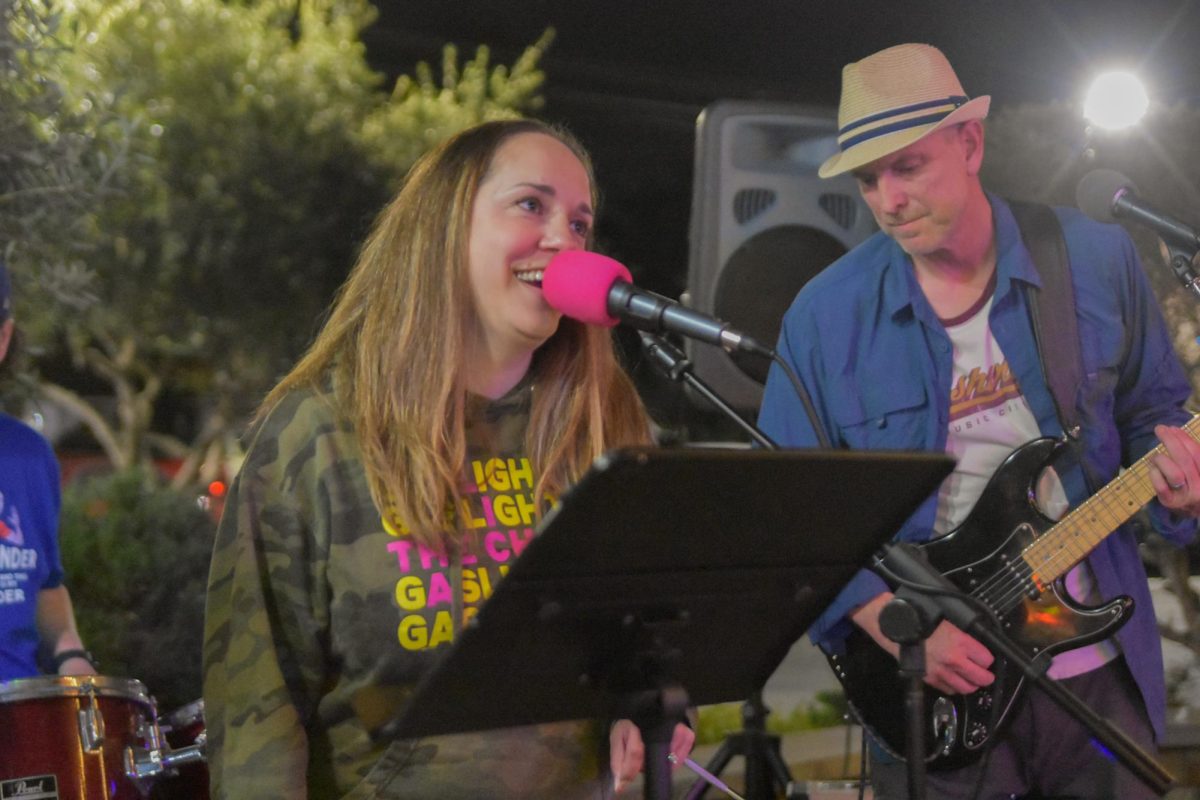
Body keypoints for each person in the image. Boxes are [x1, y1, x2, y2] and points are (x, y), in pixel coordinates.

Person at [758, 43, 1200, 799]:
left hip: (1098, 680)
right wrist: (877, 613)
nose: (889, 199)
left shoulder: (1093, 258)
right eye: (869, 180)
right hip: (931, 695)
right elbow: (785, 506)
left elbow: (1153, 416)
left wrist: (1184, 494)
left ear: (971, 141)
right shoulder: (824, 317)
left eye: (908, 167)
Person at [203, 119, 694, 799]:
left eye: (581, 223)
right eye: (532, 205)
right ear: (446, 225)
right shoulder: (316, 432)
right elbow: (255, 712)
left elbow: (653, 629)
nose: (563, 238)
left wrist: (652, 707)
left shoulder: (604, 423)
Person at [0, 260, 98, 681]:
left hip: (24, 726)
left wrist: (69, 653)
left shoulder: (30, 456)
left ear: (4, 337)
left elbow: (45, 586)